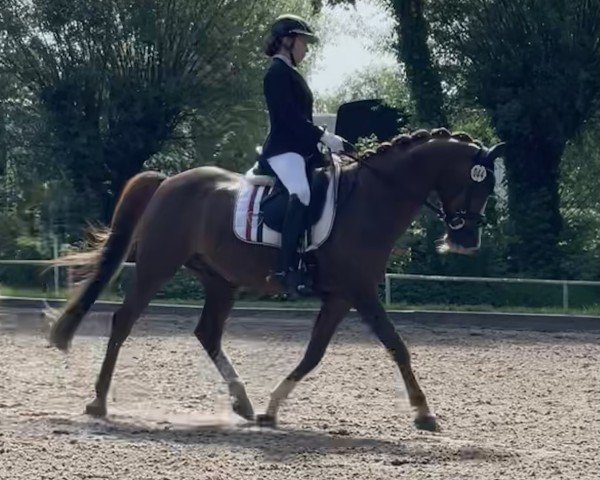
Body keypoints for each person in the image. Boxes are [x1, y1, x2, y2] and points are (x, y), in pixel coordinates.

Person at [260, 14, 347, 298]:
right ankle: (285, 270)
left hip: (300, 150)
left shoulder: (290, 73)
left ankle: (312, 259)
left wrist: (320, 144)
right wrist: (323, 136)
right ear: (287, 41)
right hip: (283, 150)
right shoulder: (276, 73)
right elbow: (288, 120)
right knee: (301, 192)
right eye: (303, 42)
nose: (306, 49)